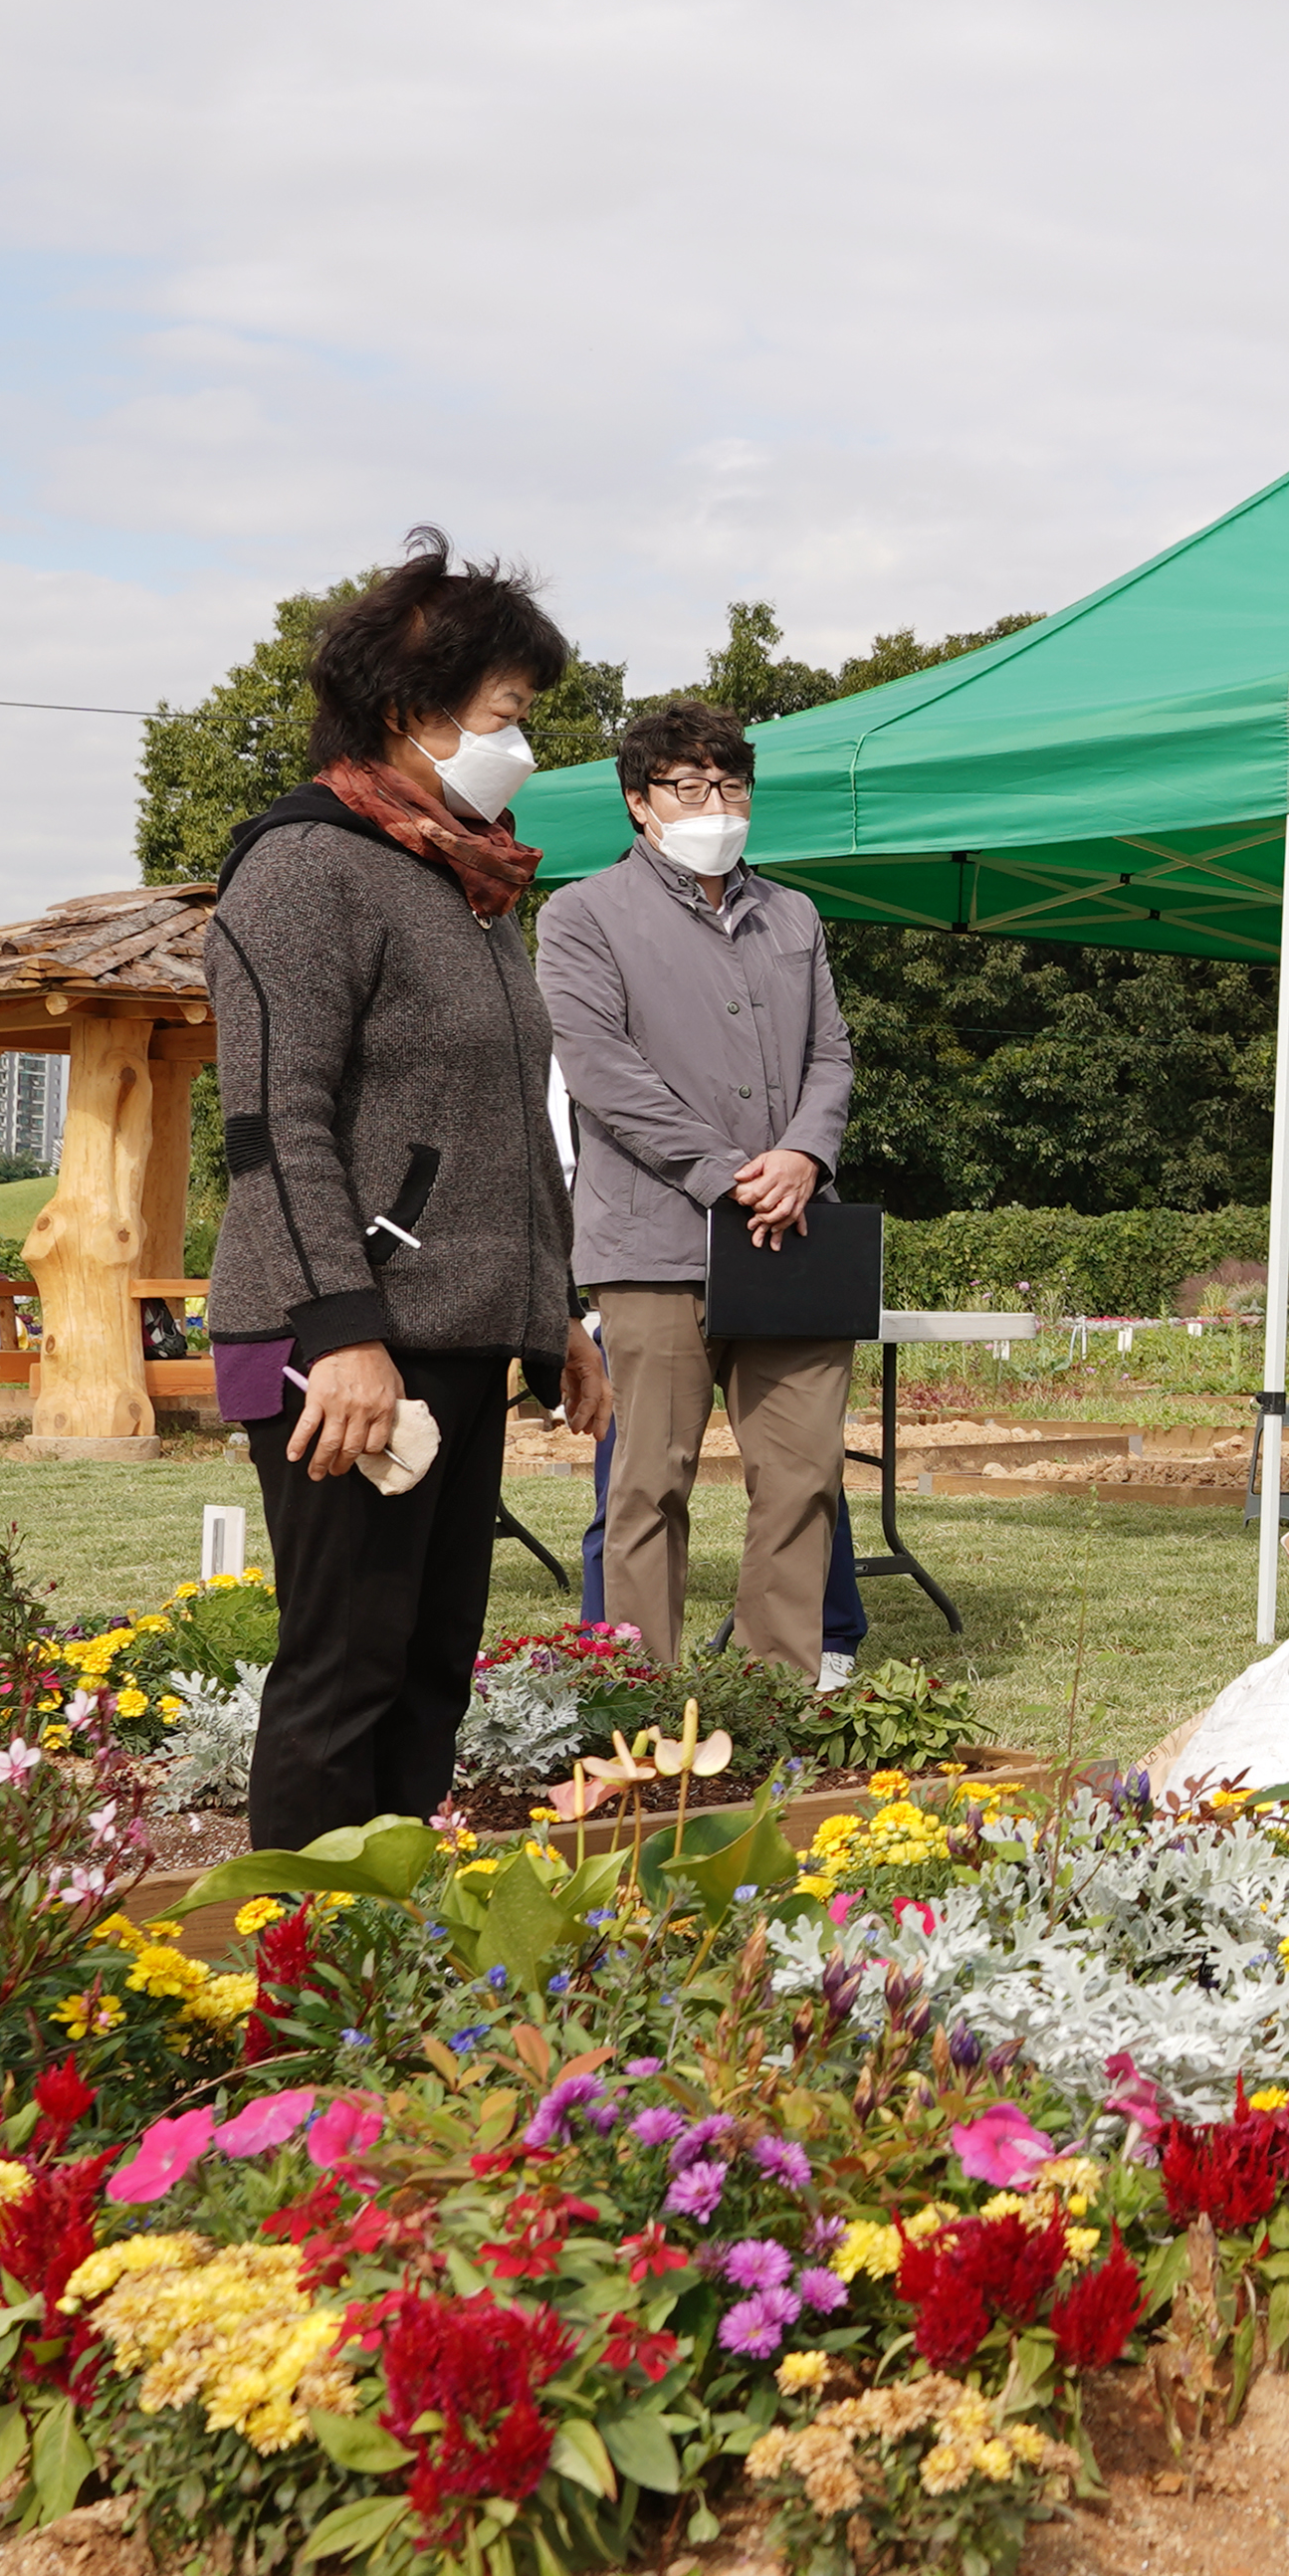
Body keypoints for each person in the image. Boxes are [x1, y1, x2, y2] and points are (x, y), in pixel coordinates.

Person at [204, 530, 611, 1849]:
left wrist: (557, 1312)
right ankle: (298, 1951)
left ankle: (391, 1944)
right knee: (346, 1670)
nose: (522, 746)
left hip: (462, 1331)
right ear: (407, 709)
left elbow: (506, 1125)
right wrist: (342, 1331)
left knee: (432, 1673)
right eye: (505, 715)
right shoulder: (305, 868)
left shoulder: (464, 881)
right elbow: (277, 1125)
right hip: (346, 1340)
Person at [535, 698, 861, 1684]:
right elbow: (602, 1072)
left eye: (731, 785)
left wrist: (804, 1156)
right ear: (639, 802)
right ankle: (639, 1700)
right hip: (654, 1245)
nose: (716, 804)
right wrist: (730, 1174)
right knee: (649, 1483)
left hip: (793, 1236)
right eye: (689, 787)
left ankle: (775, 1697)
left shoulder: (793, 914)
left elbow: (831, 1057)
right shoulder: (581, 915)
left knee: (803, 1477)